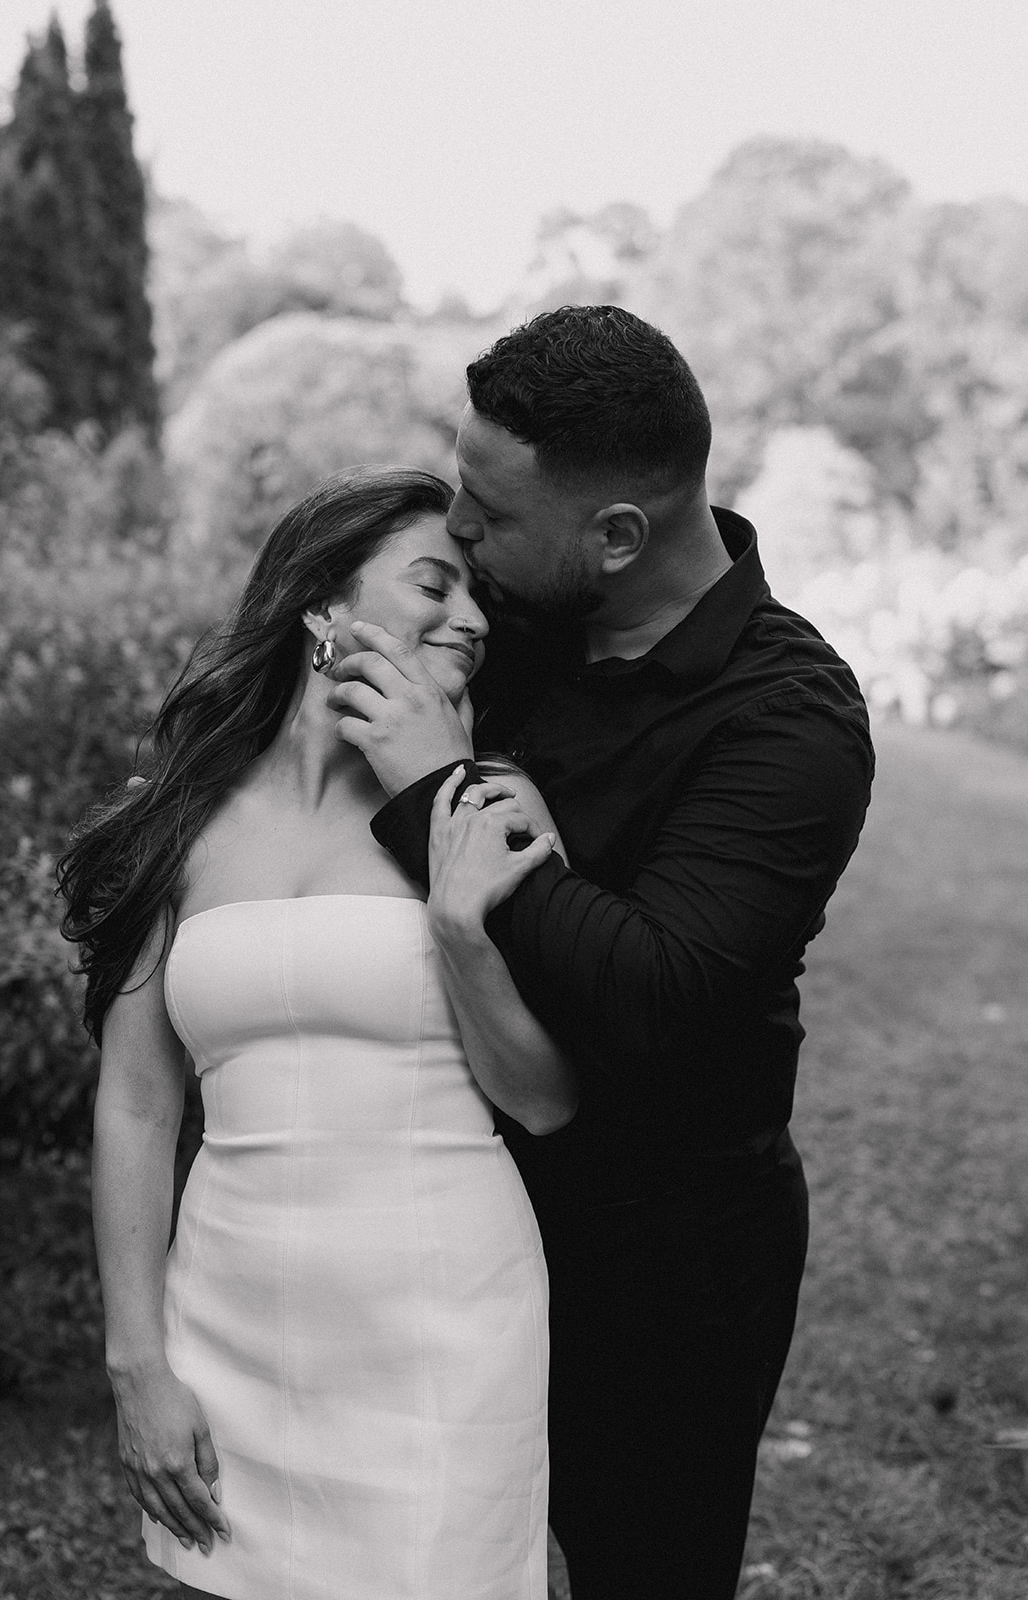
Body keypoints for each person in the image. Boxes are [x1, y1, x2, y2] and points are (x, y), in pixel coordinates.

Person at [324, 306, 875, 1600]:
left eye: (489, 513)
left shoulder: (785, 717)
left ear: (617, 535)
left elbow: (656, 991)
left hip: (662, 1260)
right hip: (441, 1202)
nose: (457, 534)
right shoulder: (506, 622)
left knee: (639, 1570)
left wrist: (434, 791)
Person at [58, 466, 577, 1600]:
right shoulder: (182, 816)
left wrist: (459, 920)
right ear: (318, 609)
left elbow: (541, 1097)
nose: (474, 619)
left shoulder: (490, 808)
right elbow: (139, 1102)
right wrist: (137, 1360)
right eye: (434, 583)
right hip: (234, 1307)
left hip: (443, 1310)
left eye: (479, 596)